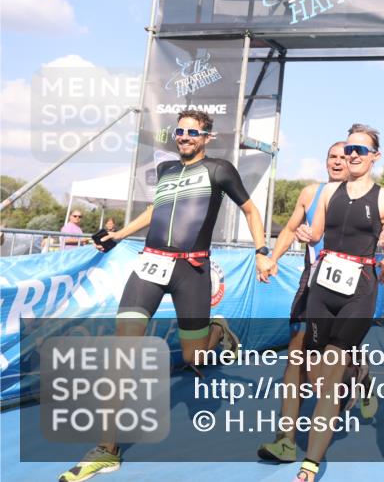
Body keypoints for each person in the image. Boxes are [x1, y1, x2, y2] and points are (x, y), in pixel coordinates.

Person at [59, 109, 275, 482]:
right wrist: (119, 235)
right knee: (121, 352)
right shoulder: (166, 171)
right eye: (180, 131)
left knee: (194, 356)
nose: (185, 136)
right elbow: (155, 213)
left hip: (191, 271)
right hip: (150, 265)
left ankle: (215, 332)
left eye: (193, 132)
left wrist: (261, 251)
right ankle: (105, 450)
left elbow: (252, 211)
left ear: (207, 136)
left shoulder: (219, 169)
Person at [291, 124, 384, 482]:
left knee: (334, 368)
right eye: (350, 149)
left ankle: (311, 461)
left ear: (375, 156)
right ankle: (360, 376)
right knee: (316, 378)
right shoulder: (328, 193)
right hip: (323, 288)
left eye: (361, 150)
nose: (353, 155)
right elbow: (315, 233)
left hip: (360, 290)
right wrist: (304, 233)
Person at [257, 141, 378, 465]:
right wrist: (272, 257)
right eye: (333, 157)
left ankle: (357, 375)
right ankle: (285, 439)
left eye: (344, 157)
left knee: (325, 370)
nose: (339, 162)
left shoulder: (370, 196)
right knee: (296, 358)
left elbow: (378, 237)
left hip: (353, 285)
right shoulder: (312, 193)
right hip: (313, 281)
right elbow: (290, 229)